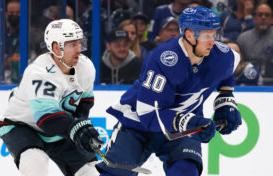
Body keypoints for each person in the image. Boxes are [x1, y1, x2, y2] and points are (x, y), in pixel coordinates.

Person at [96, 6, 242, 176]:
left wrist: (226, 100)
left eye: (215, 34)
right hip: (138, 124)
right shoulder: (163, 59)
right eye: (207, 36)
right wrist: (190, 122)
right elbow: (148, 114)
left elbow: (227, 70)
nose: (213, 41)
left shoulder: (222, 55)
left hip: (181, 127)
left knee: (186, 172)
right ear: (189, 35)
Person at [0, 19, 103, 176]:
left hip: (59, 128)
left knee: (91, 173)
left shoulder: (86, 67)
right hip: (22, 126)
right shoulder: (39, 73)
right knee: (35, 165)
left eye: (80, 43)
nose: (79, 49)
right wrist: (76, 129)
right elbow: (47, 118)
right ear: (56, 47)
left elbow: (85, 102)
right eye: (72, 45)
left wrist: (82, 128)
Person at [237, 3, 273, 85]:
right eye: (260, 15)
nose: (263, 17)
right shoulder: (243, 38)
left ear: (272, 19)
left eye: (267, 15)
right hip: (248, 82)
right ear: (255, 18)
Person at [5, 0, 21, 84]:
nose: (14, 15)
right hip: (3, 79)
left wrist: (7, 59)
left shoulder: (30, 35)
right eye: (11, 13)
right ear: (6, 14)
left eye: (18, 13)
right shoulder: (1, 35)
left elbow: (17, 60)